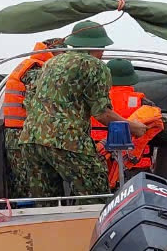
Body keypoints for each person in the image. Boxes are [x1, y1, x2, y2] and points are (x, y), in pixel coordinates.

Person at [18, 21, 147, 199]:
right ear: (98, 46)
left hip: (30, 140)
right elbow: (102, 113)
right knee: (96, 196)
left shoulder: (51, 63)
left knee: (46, 204)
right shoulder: (95, 66)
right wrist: (134, 128)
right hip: (66, 140)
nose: (103, 53)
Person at [91, 59, 167, 187]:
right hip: (135, 171)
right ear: (131, 79)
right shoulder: (143, 104)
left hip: (97, 168)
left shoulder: (89, 103)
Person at [1, 38, 64, 197]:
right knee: (30, 184)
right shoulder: (35, 70)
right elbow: (38, 103)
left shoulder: (32, 64)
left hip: (21, 133)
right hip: (22, 135)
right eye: (63, 54)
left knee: (28, 181)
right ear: (55, 52)